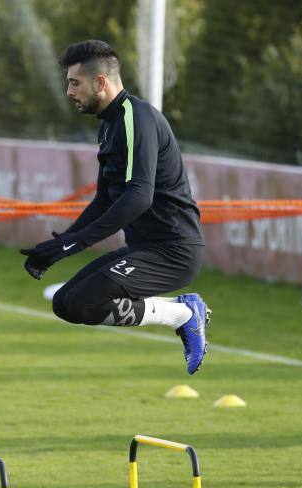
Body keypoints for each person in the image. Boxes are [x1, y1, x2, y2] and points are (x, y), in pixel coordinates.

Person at [21, 40, 210, 375]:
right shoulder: (109, 125)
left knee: (83, 302)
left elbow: (139, 196)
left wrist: (76, 242)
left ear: (100, 83)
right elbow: (105, 199)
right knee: (65, 304)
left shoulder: (136, 117)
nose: (69, 91)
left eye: (74, 82)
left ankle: (183, 315)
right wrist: (61, 244)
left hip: (174, 252)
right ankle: (183, 313)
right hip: (145, 249)